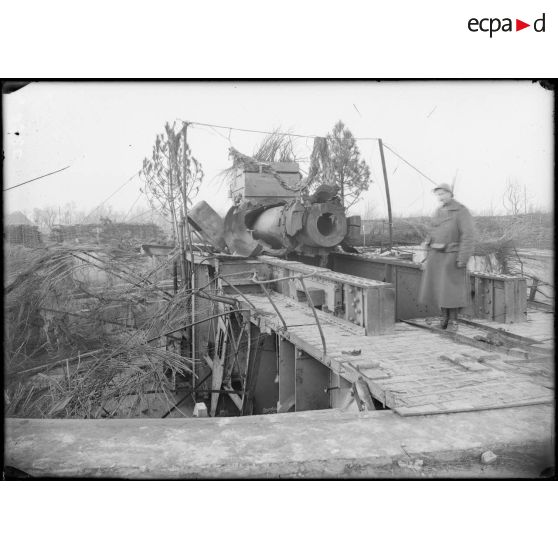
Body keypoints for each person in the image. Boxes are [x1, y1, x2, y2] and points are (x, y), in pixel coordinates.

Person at [418, 183, 475, 332]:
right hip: (436, 256)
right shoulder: (438, 211)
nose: (440, 197)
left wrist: (463, 258)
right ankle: (444, 319)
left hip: (452, 256)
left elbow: (468, 236)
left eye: (443, 194)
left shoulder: (461, 211)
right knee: (440, 289)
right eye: (438, 194)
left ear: (450, 194)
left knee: (452, 290)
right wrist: (427, 245)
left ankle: (453, 322)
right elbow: (432, 231)